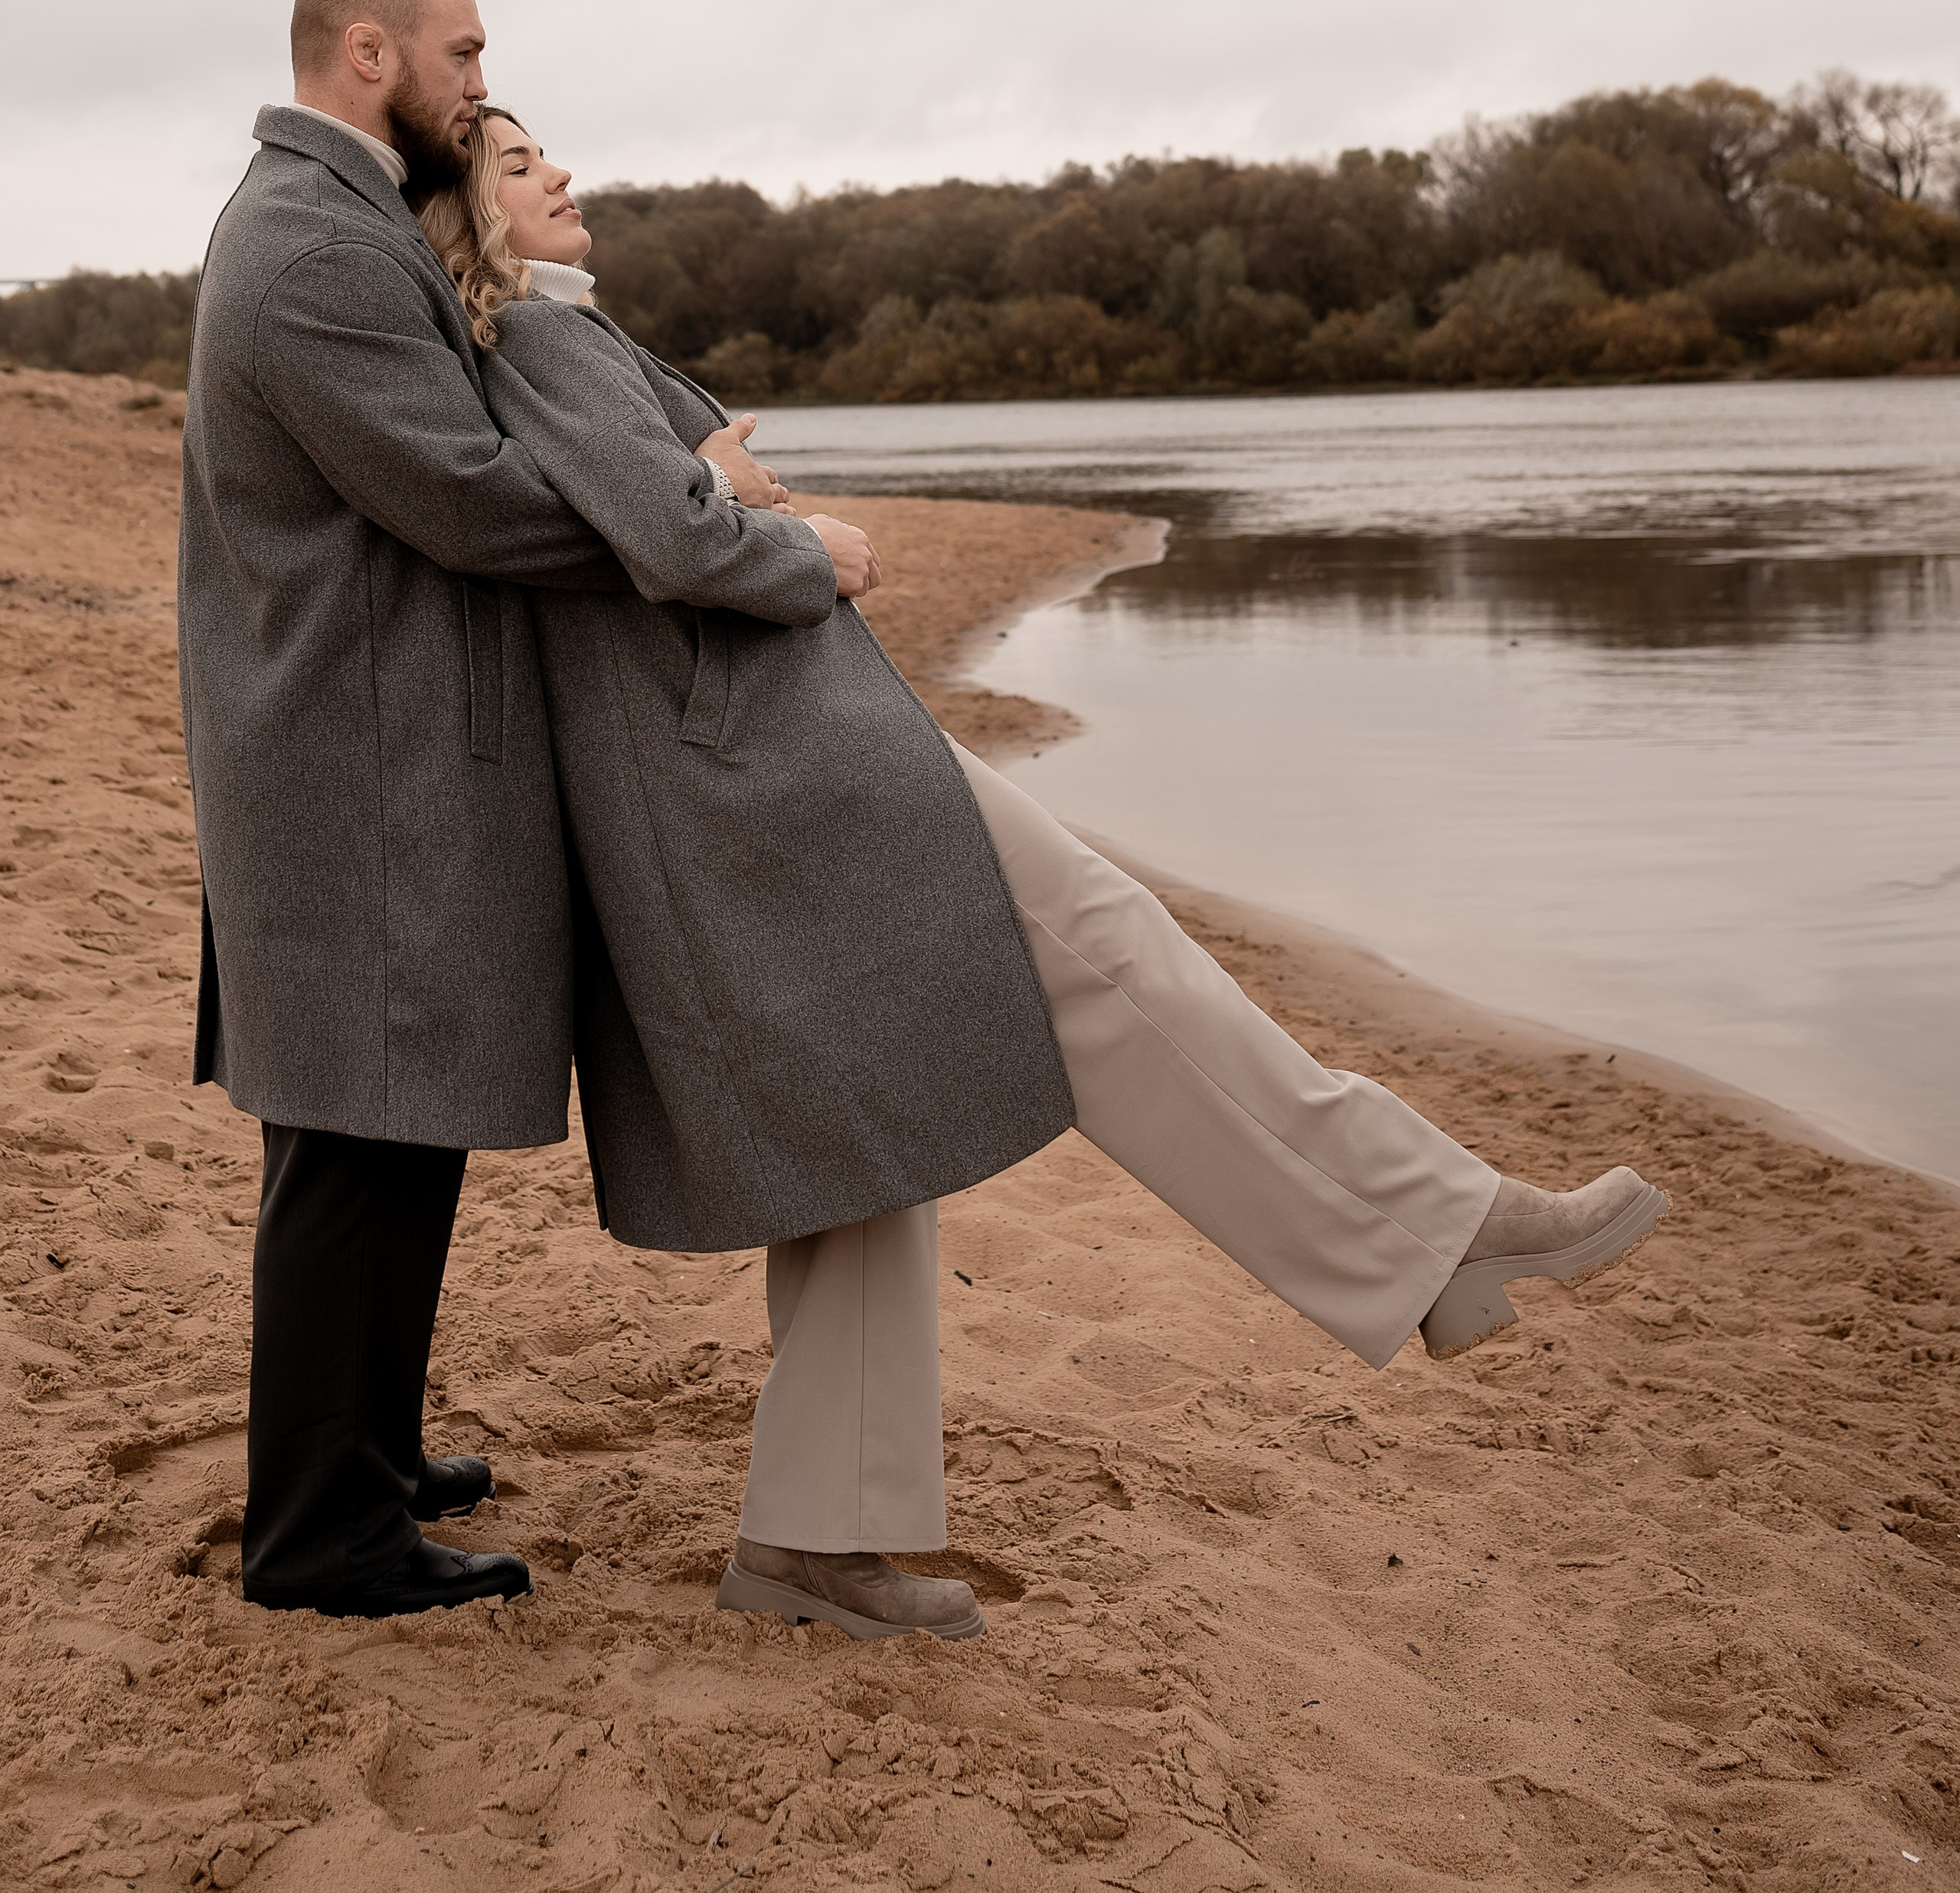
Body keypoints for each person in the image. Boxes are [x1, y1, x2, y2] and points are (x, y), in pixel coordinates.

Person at [418, 106, 1670, 1647]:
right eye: (519, 162)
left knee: (875, 1149)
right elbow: (679, 535)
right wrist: (798, 535)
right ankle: (1437, 1222)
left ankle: (814, 1546)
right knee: (1110, 953)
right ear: (469, 212)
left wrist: (736, 493)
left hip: (779, 773)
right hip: (776, 785)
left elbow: (674, 505)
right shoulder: (541, 352)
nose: (560, 172)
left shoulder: (566, 338)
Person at [179, 0, 648, 1620]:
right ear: (367, 54)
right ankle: (324, 1535)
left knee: (383, 1140)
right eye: (459, 52)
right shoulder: (310, 244)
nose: (478, 81)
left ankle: (356, 1456)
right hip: (347, 763)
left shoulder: (338, 218)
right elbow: (460, 495)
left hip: (348, 748)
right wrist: (687, 525)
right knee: (357, 1153)